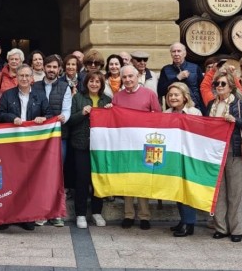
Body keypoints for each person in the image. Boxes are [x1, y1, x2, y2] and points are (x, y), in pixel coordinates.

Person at [0, 64, 52, 231]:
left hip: (33, 145)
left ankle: (26, 217)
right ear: (17, 77)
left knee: (28, 181)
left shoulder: (40, 96)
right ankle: (6, 217)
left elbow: (49, 115)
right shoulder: (8, 94)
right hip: (12, 144)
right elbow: (0, 115)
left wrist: (43, 118)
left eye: (28, 76)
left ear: (32, 78)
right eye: (22, 76)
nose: (25, 79)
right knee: (10, 179)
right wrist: (12, 118)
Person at [205, 68, 242, 243]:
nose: (219, 86)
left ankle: (236, 229)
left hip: (233, 152)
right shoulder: (211, 105)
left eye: (223, 83)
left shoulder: (239, 105)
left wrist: (236, 120)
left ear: (231, 87)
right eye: (216, 83)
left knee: (234, 193)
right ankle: (221, 228)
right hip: (214, 152)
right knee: (218, 192)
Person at [110, 65, 161, 230]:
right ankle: (128, 214)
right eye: (124, 77)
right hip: (125, 144)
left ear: (137, 76)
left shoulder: (150, 94)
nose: (128, 80)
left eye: (131, 76)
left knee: (143, 180)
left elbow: (158, 117)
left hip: (145, 144)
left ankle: (145, 216)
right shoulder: (117, 97)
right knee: (127, 178)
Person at [68, 71, 111, 229]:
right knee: (82, 179)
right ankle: (80, 214)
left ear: (101, 84)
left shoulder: (107, 100)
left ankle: (96, 212)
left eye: (97, 82)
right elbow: (70, 120)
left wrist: (110, 110)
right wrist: (82, 113)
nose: (94, 84)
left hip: (100, 147)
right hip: (81, 145)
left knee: (98, 178)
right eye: (91, 81)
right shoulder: (77, 98)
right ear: (86, 82)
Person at [33, 55, 72, 227]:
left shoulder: (65, 87)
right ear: (44, 68)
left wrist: (62, 118)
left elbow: (67, 111)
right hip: (38, 138)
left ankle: (56, 213)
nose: (51, 70)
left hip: (59, 137)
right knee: (40, 174)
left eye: (54, 67)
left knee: (58, 174)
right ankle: (41, 211)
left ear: (59, 69)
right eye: (48, 66)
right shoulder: (34, 86)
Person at [164, 82, 202, 237]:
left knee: (188, 190)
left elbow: (199, 135)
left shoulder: (195, 112)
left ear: (185, 97)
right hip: (173, 157)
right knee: (178, 189)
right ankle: (183, 220)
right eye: (170, 95)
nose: (173, 98)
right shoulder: (166, 113)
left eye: (176, 95)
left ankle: (189, 223)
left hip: (190, 157)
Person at [158, 43, 204, 113]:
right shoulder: (165, 69)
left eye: (179, 51)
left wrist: (203, 109)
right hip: (174, 109)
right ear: (171, 54)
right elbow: (160, 91)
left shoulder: (195, 67)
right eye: (174, 51)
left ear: (184, 53)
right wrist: (177, 78)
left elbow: (202, 89)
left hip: (194, 108)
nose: (176, 54)